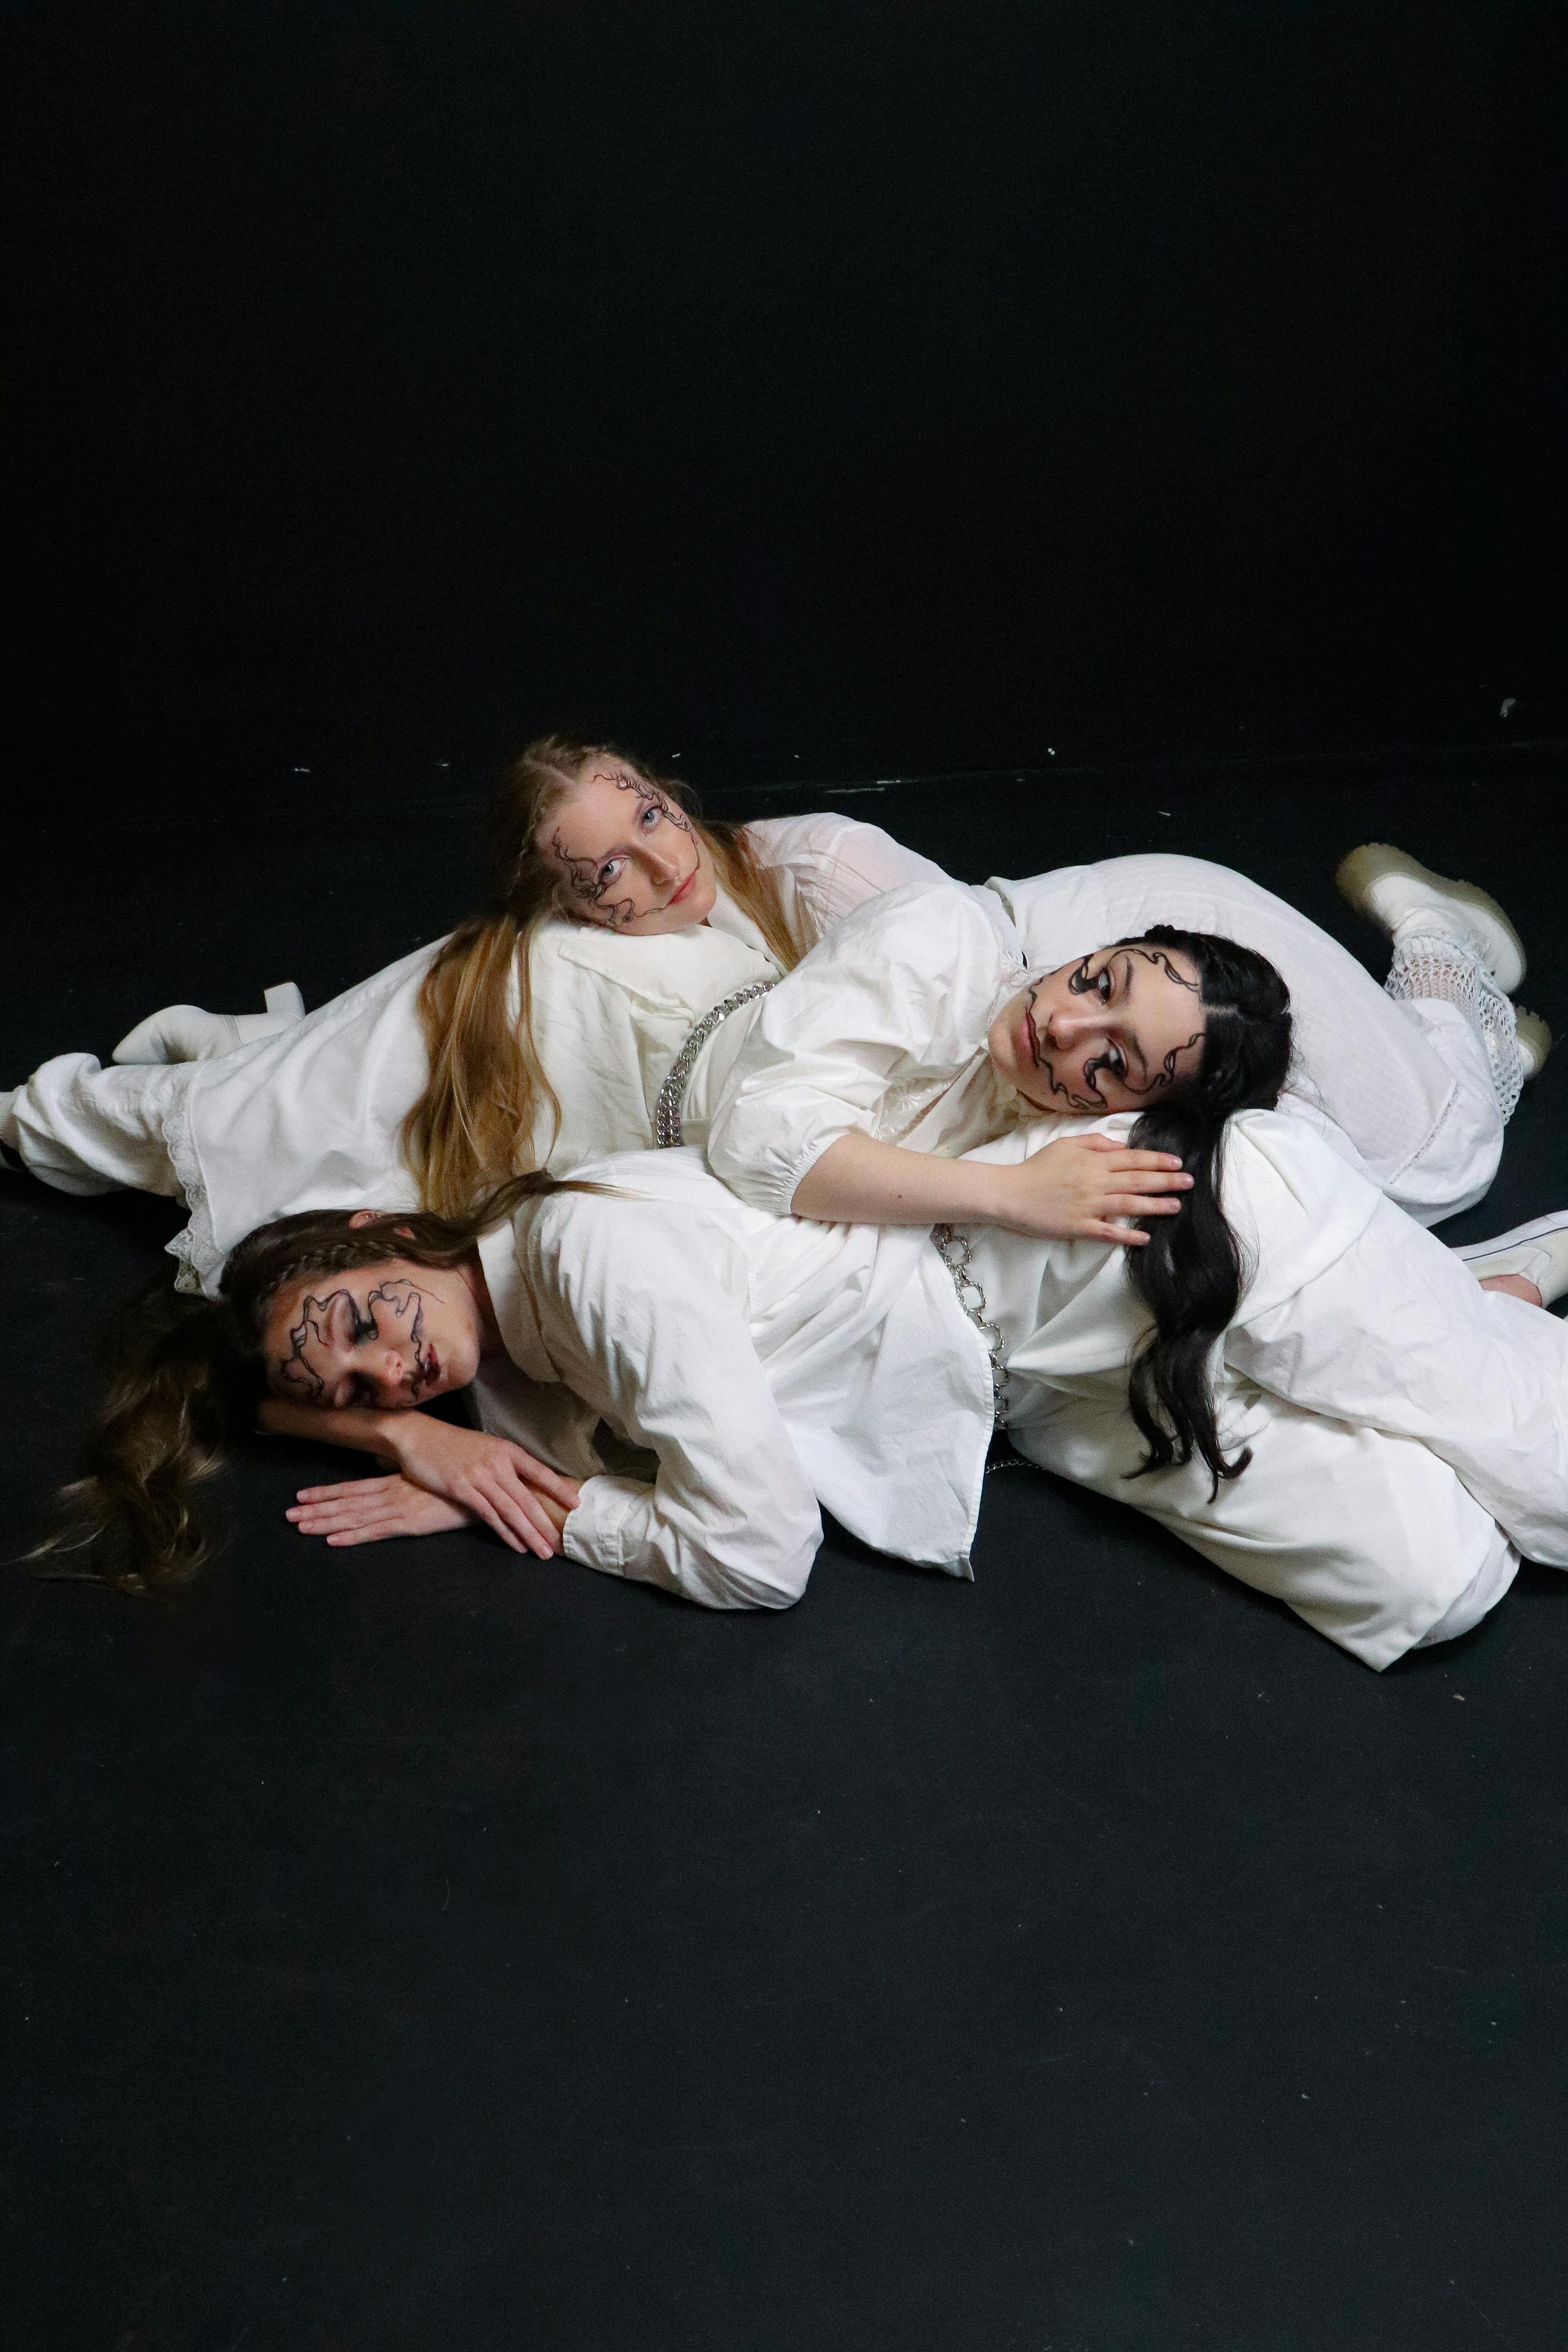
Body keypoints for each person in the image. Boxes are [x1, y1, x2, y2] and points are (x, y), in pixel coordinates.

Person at [32, 1087, 1568, 1670]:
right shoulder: (498, 1349)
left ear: (384, 1221)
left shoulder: (581, 1267)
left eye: (367, 1316)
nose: (390, 1366)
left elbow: (759, 1556)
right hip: (1047, 1386)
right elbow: (244, 1352)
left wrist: (566, 1517)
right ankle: (1478, 1294)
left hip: (1161, 1244)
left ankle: (1448, 1311)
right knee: (1436, 1589)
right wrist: (415, 1447)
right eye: (356, 1381)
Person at [1, 737, 948, 1295]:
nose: (665, 867)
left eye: (652, 815)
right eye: (608, 872)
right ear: (564, 903)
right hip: (497, 1037)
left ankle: (240, 1041)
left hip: (624, 1119)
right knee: (259, 1124)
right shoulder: (541, 955)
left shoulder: (811, 866)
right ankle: (41, 1111)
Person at [691, 853, 1549, 1239]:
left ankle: (1438, 944)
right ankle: (1473, 1039)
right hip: (1158, 920)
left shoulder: (1114, 1059)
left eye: (1106, 1065)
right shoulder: (917, 931)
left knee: (1445, 1166)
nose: (1059, 1027)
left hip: (1195, 973)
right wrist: (1006, 1193)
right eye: (1090, 985)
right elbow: (763, 1139)